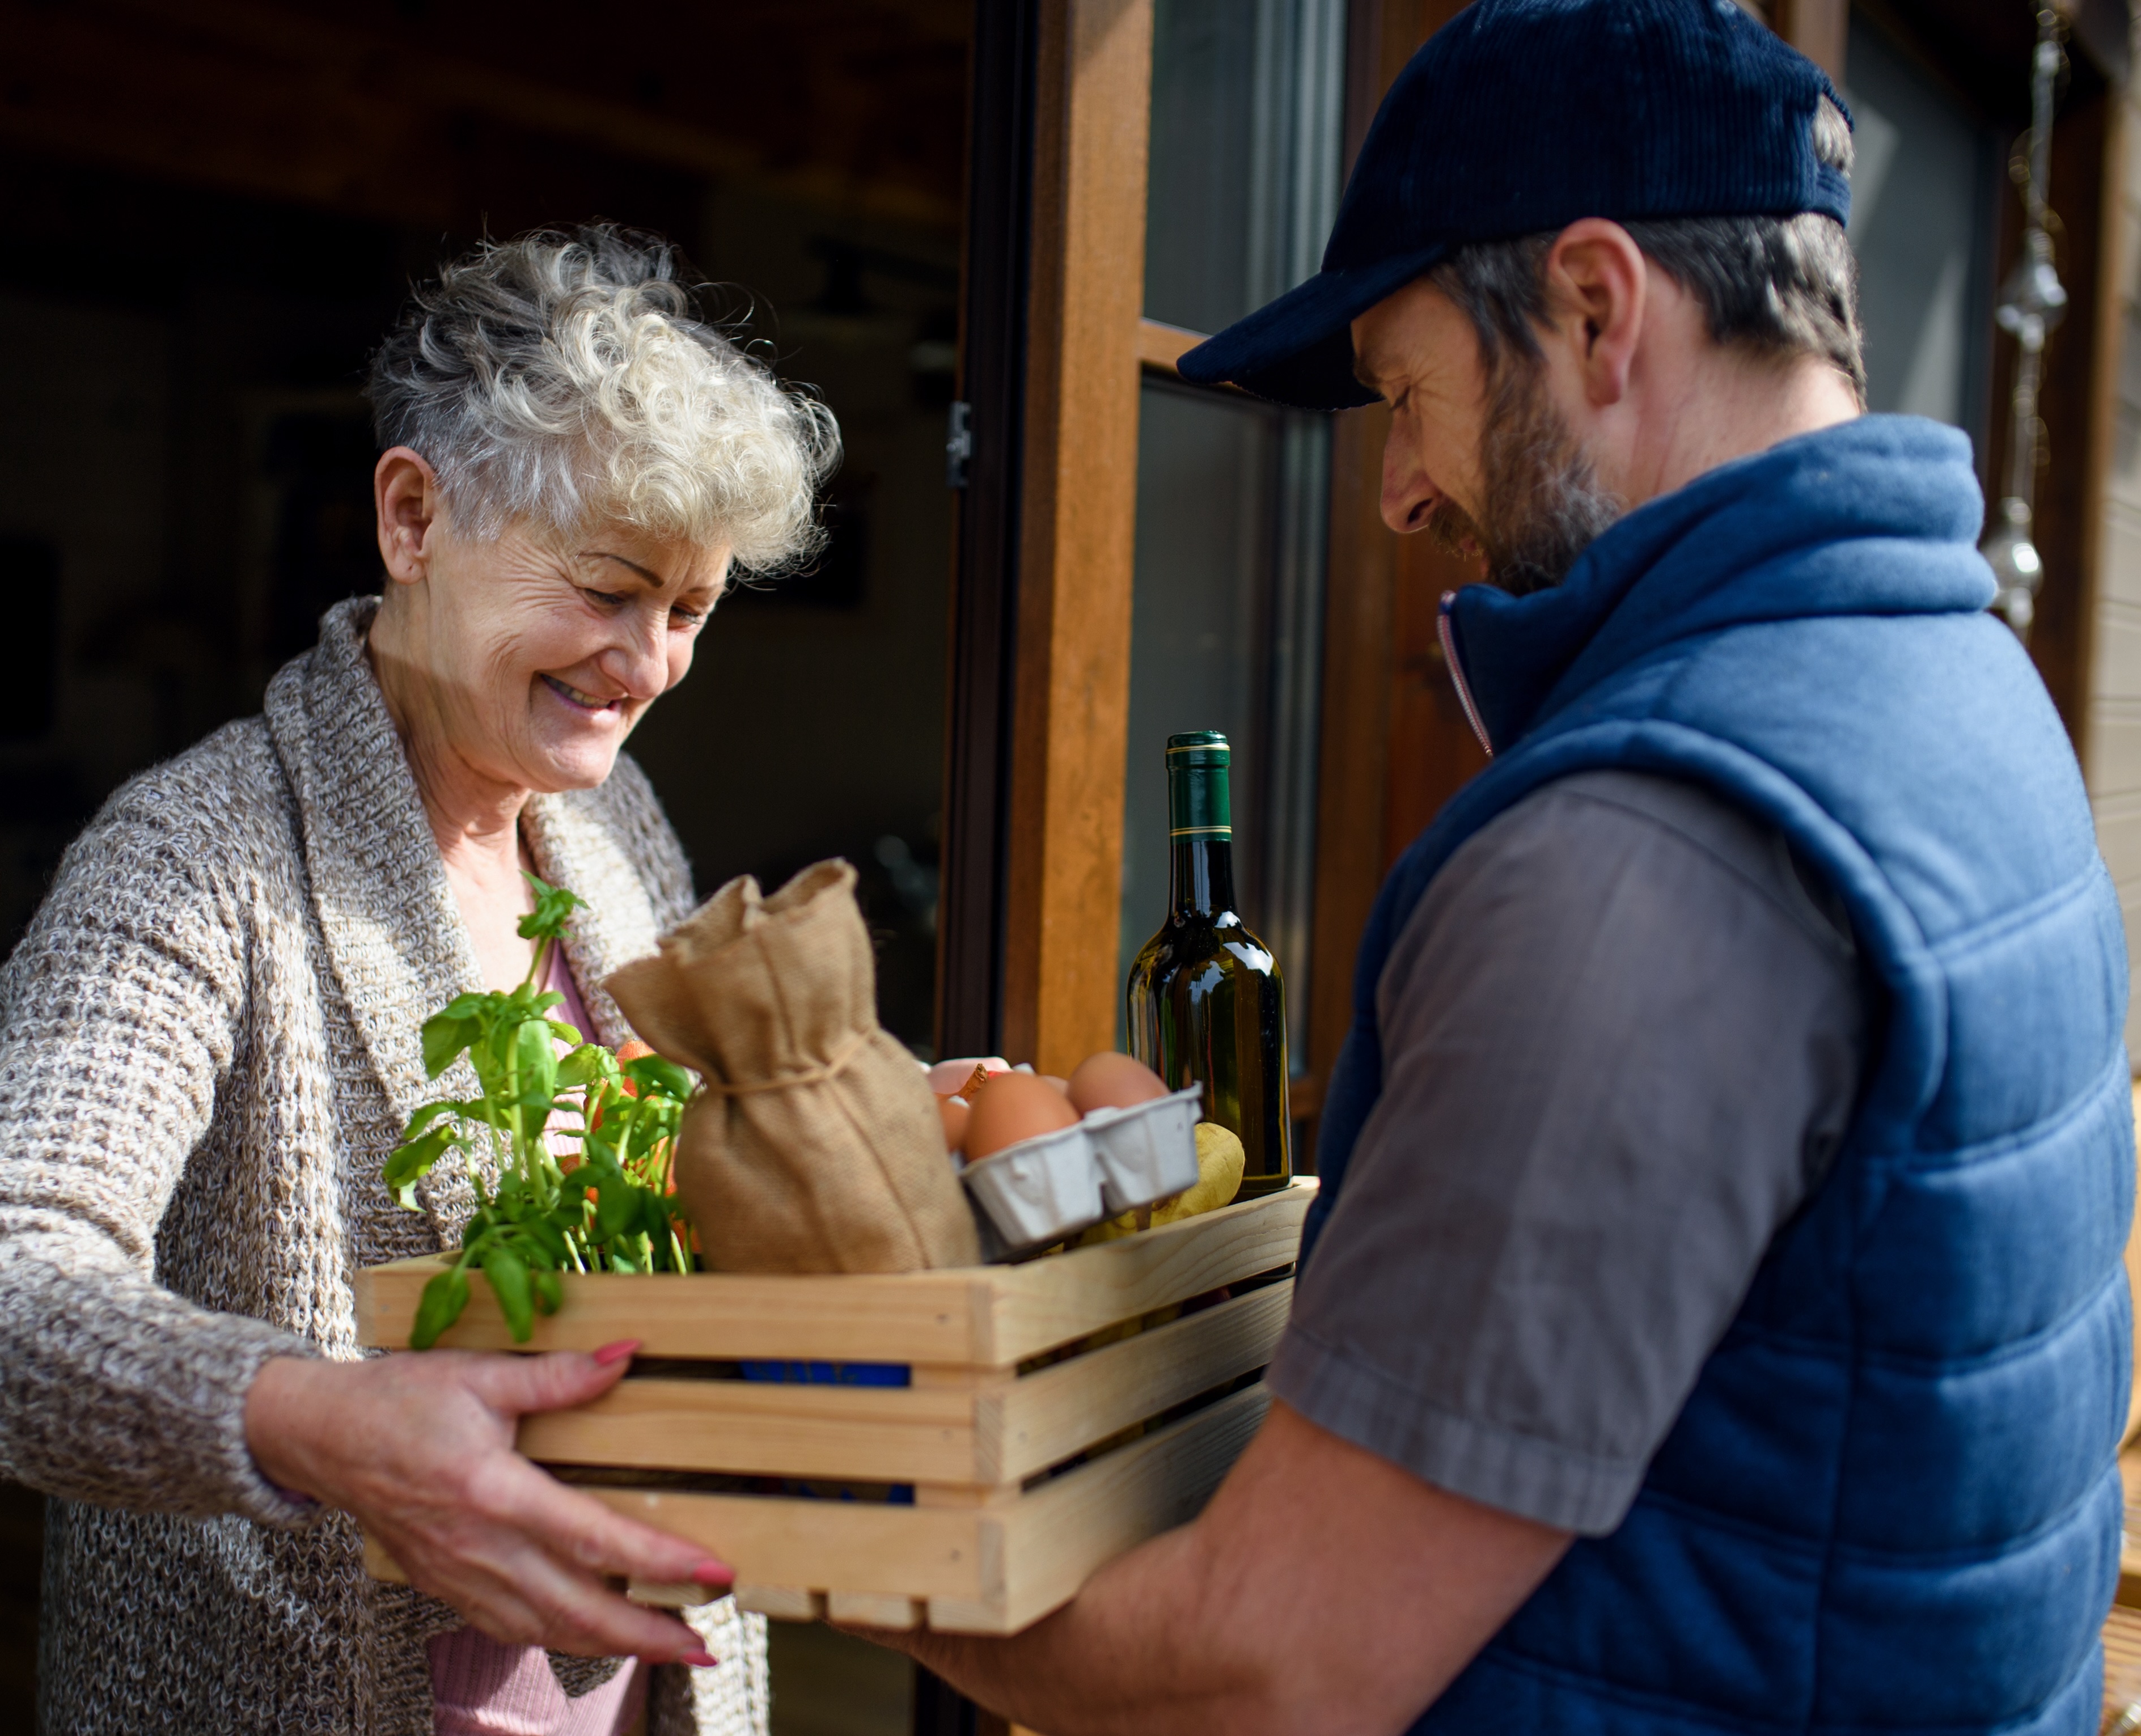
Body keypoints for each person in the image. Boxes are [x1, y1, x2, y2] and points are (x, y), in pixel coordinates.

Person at [879, 5, 2131, 1733]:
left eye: (1407, 393)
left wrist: (812, 1523)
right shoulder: (1966, 684)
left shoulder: (1645, 851)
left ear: (1596, 309)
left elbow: (1268, 1673)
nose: (1396, 491)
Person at [0, 226, 838, 1734]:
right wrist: (324, 1421)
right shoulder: (196, 860)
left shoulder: (610, 829)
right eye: (610, 587)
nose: (647, 663)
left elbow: (669, 1174)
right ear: (414, 516)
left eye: (689, 612)